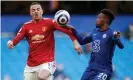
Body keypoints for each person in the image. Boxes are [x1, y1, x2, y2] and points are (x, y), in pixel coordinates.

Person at [7, 2, 82, 80]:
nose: (36, 11)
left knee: (42, 77)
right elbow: (18, 38)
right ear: (30, 13)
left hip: (47, 62)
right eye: (33, 10)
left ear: (42, 11)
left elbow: (68, 30)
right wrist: (12, 43)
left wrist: (75, 42)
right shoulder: (26, 26)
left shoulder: (50, 23)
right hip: (31, 65)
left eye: (38, 9)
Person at [70, 9, 124, 80]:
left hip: (104, 70)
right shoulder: (95, 31)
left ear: (106, 20)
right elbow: (82, 41)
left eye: (99, 18)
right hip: (90, 68)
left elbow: (121, 46)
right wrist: (73, 30)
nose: (96, 20)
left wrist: (116, 39)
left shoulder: (111, 34)